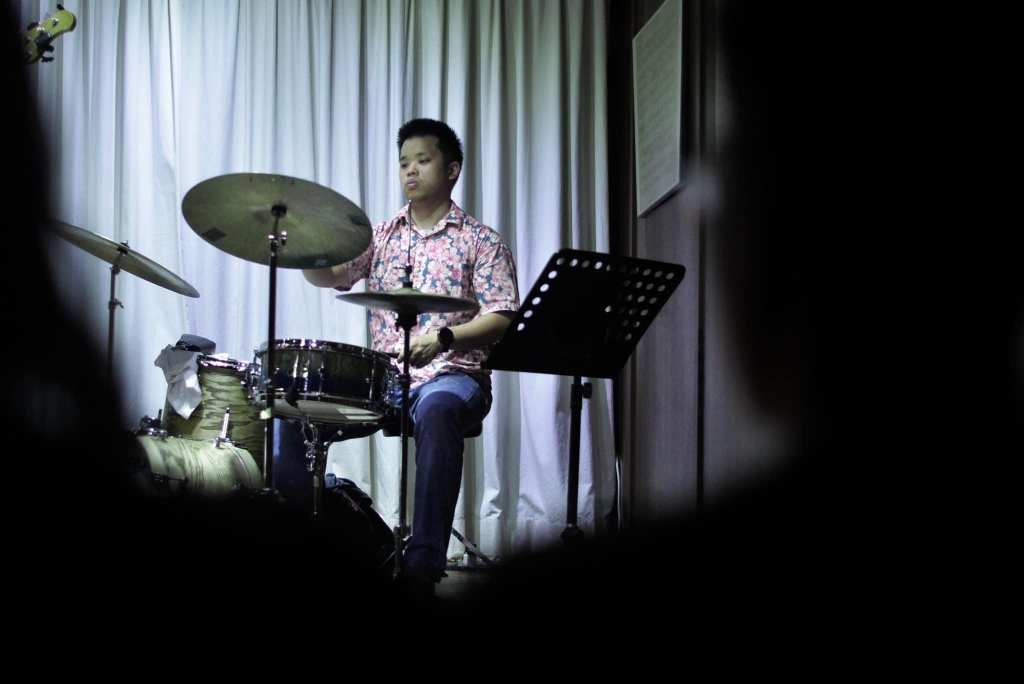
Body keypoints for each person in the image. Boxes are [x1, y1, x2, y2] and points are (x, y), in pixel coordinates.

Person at [303, 118, 520, 596]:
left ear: (452, 169)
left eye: (422, 160)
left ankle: (423, 564)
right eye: (404, 163)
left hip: (453, 375)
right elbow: (332, 276)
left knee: (438, 410)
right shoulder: (381, 235)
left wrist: (444, 338)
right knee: (297, 404)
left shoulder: (481, 241)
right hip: (384, 379)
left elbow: (503, 316)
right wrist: (305, 249)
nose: (411, 171)